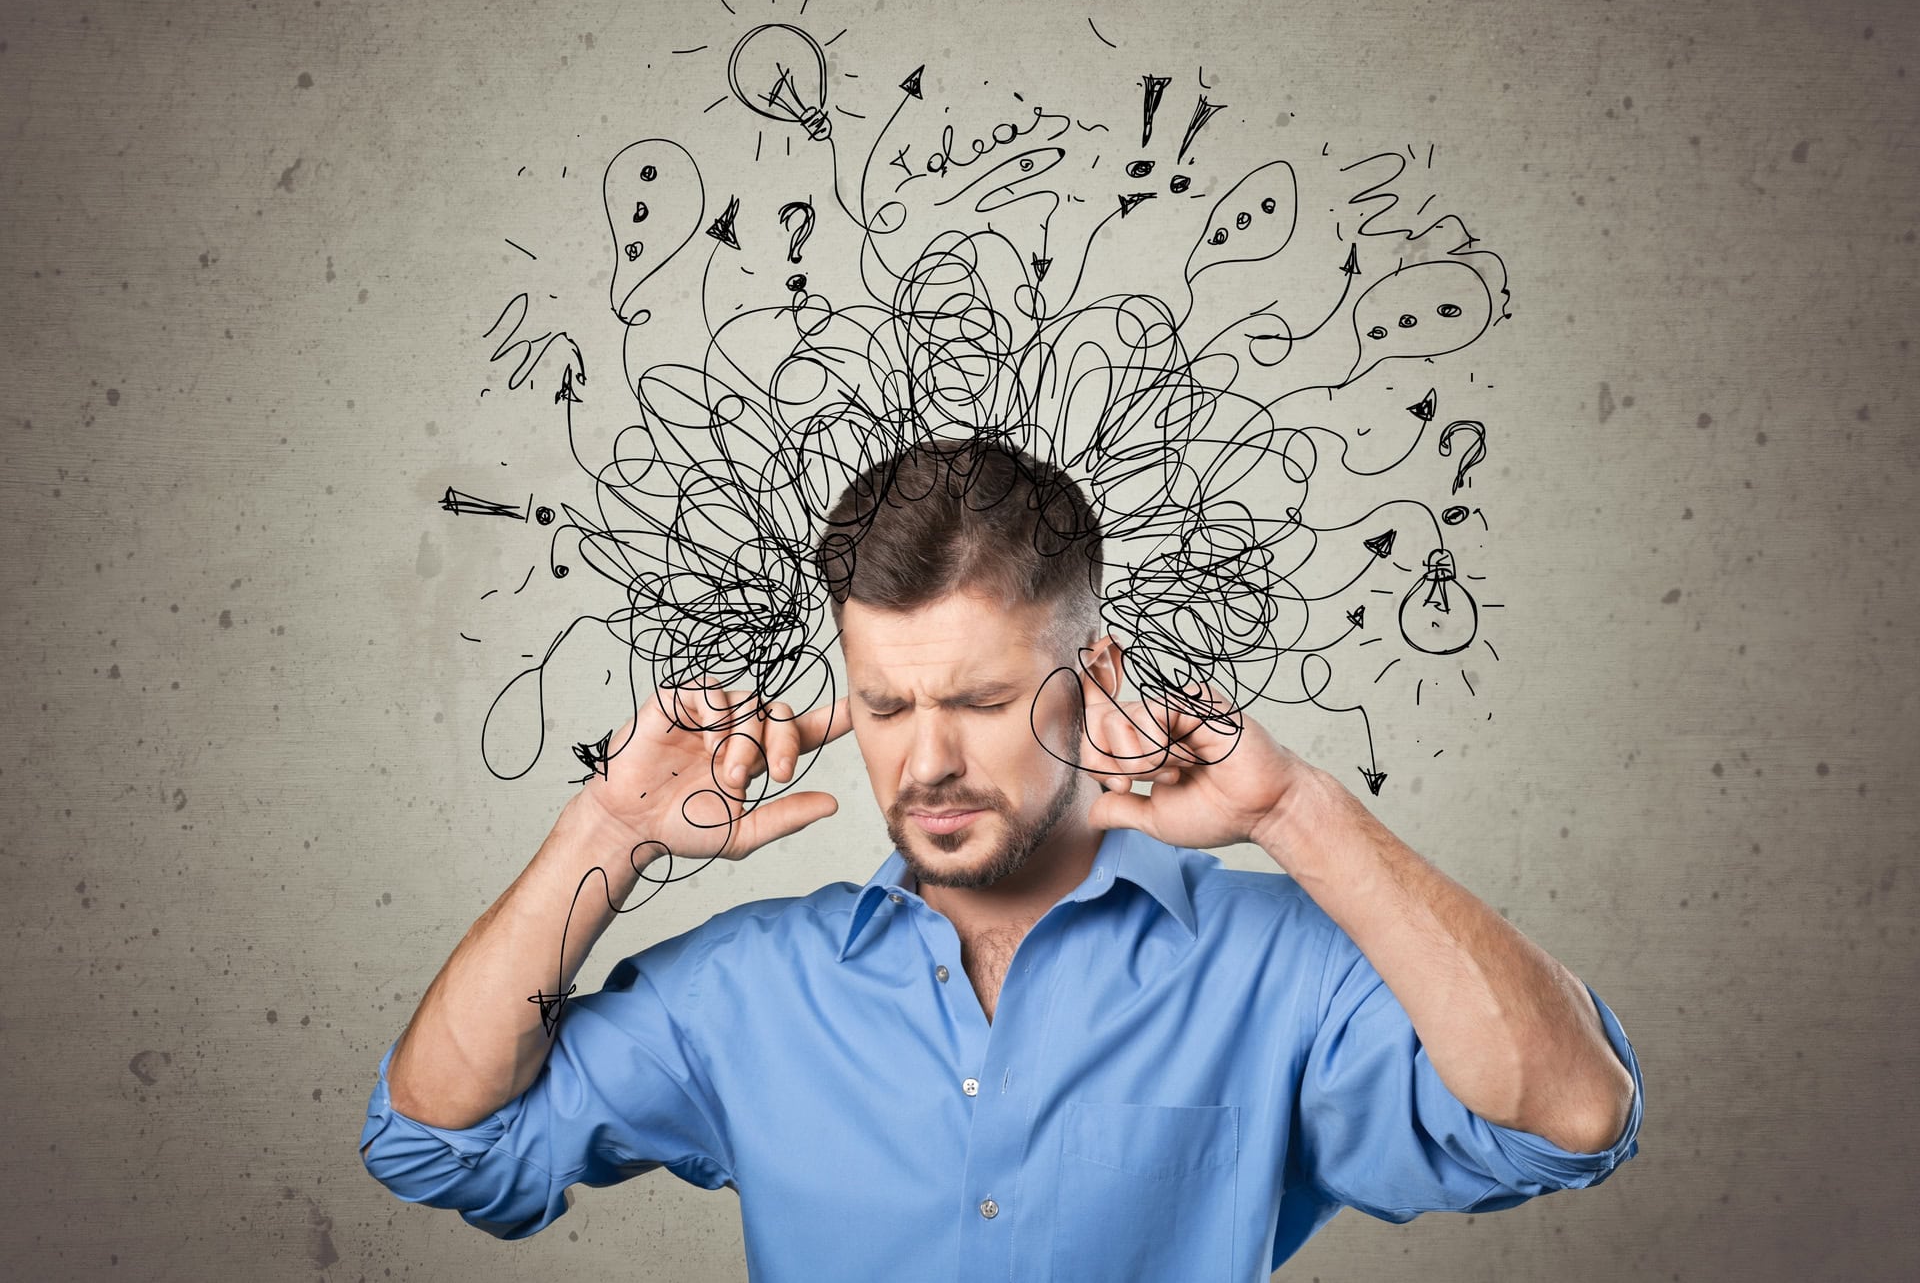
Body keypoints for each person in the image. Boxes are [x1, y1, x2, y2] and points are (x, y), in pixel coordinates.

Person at [360, 437, 1643, 1281]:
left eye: (976, 702)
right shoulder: (748, 991)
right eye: (885, 706)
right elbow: (435, 1137)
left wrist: (1296, 814)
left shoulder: (1277, 970)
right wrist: (609, 834)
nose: (925, 764)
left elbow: (1574, 1116)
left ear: (1093, 682)